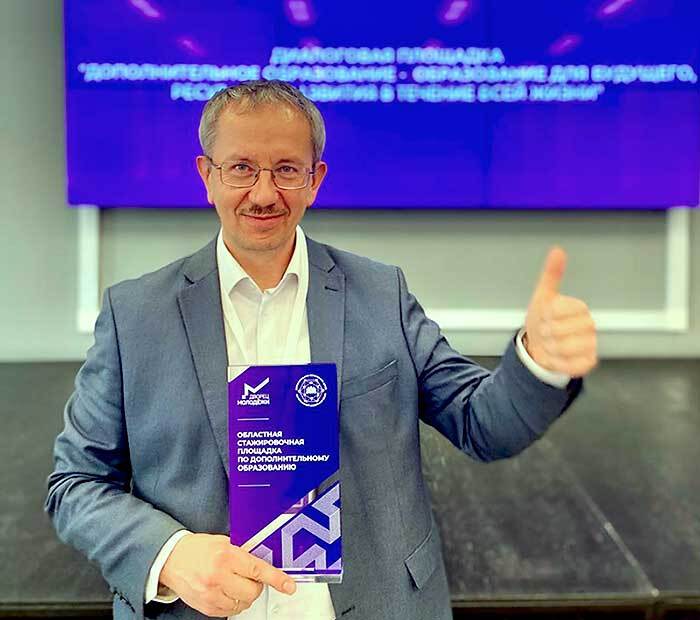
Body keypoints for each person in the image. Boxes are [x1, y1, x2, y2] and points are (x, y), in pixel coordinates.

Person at [46, 80, 597, 620]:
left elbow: (482, 423)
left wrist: (538, 362)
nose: (264, 193)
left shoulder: (380, 295)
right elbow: (76, 483)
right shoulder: (135, 315)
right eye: (241, 168)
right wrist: (171, 556)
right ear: (207, 176)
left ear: (315, 181)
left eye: (287, 170)